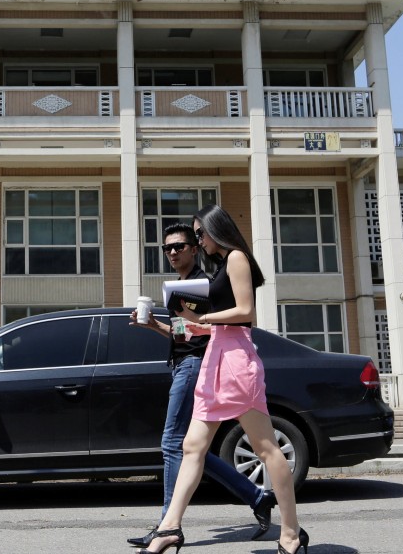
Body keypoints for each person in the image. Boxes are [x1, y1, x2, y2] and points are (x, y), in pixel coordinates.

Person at [137, 205, 308, 554]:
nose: (199, 240)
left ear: (216, 229)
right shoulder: (220, 267)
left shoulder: (236, 258)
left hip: (235, 360)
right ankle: (169, 528)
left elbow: (247, 312)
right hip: (216, 357)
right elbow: (216, 320)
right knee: (192, 446)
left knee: (265, 448)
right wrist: (189, 320)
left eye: (200, 234)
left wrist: (204, 318)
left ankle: (291, 532)